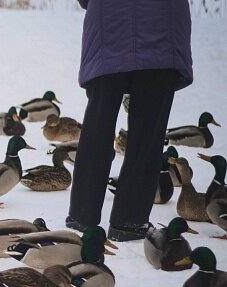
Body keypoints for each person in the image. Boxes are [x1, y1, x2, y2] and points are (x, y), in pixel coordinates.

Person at [66, 0, 193, 241]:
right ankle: (129, 220)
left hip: (109, 25)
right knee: (149, 132)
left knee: (97, 124)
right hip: (162, 28)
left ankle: (82, 215)